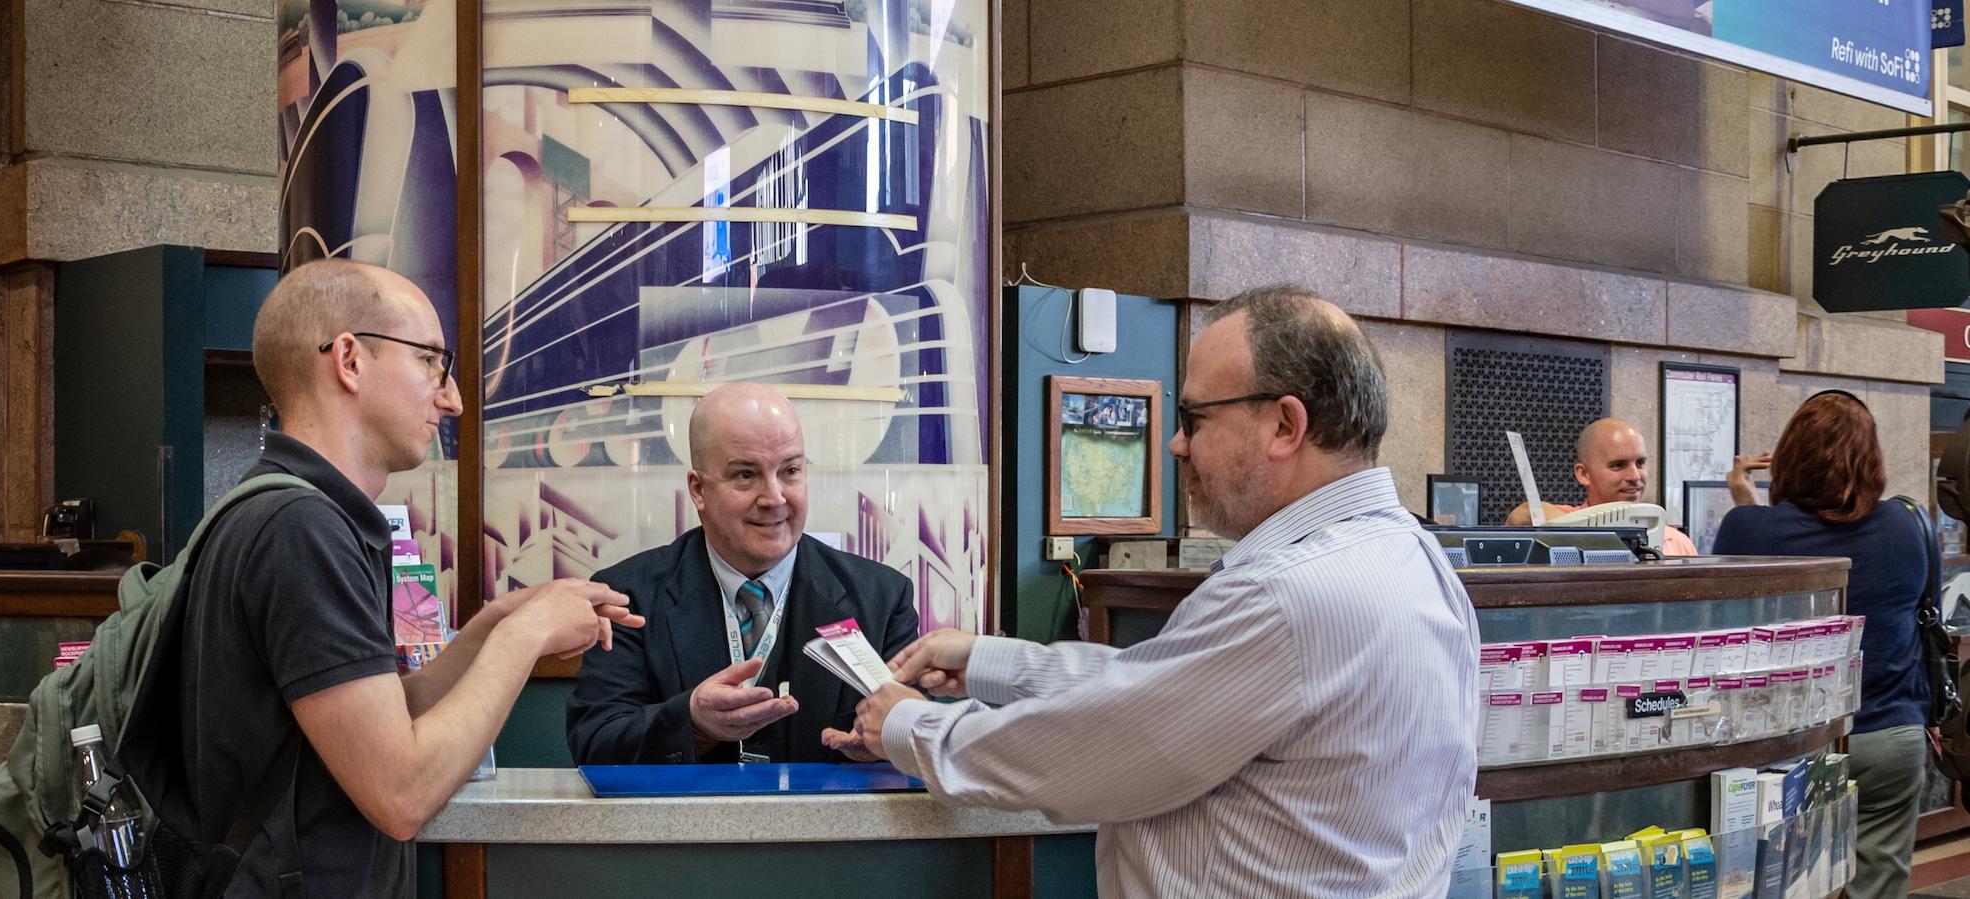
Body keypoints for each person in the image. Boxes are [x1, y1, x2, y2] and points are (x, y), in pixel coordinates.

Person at [836, 286, 1482, 896]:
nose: (1175, 443)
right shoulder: (1419, 563)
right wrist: (990, 660)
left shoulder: (1285, 597)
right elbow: (1164, 694)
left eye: (1193, 417)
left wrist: (909, 724)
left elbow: (1094, 748)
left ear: (1286, 425)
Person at [138, 259, 641, 898]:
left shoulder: (300, 515)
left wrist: (492, 629)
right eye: (431, 359)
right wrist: (528, 637)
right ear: (348, 360)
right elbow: (401, 793)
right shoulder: (300, 529)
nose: (452, 397)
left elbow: (375, 724)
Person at [565, 382, 919, 764]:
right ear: (698, 490)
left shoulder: (882, 599)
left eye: (791, 471)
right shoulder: (628, 596)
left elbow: (920, 745)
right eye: (746, 475)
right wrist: (692, 722)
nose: (774, 498)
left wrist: (890, 746)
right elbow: (595, 741)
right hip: (684, 823)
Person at [1711, 391, 1927, 899]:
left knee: (1779, 884)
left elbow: (1762, 554)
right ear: (1874, 460)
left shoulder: (1748, 528)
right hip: (1891, 736)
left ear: (1790, 458)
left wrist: (1744, 495)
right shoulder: (1905, 524)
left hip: (1792, 749)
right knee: (1878, 885)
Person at [1504, 417, 1700, 556]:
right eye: (1618, 465)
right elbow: (1523, 515)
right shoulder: (1560, 526)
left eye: (1640, 463)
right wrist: (1582, 531)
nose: (1634, 476)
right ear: (1584, 474)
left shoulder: (1678, 543)